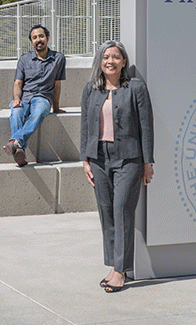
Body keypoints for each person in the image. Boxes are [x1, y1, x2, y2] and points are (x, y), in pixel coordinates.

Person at [80, 41, 154, 293]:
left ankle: (121, 271)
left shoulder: (136, 88)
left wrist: (147, 162)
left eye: (116, 57)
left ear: (124, 62)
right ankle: (113, 265)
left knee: (122, 210)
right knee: (106, 212)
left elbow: (146, 127)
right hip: (98, 159)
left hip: (129, 159)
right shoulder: (90, 89)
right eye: (105, 57)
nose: (110, 61)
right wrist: (85, 159)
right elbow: (85, 126)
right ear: (99, 62)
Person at [3, 25, 66, 166]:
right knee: (17, 112)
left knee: (39, 113)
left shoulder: (59, 58)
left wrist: (55, 107)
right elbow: (18, 83)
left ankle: (14, 142)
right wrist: (17, 99)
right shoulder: (24, 59)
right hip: (24, 97)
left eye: (41, 36)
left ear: (47, 38)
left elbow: (57, 85)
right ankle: (19, 149)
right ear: (31, 41)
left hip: (43, 97)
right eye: (35, 37)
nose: (39, 40)